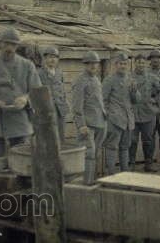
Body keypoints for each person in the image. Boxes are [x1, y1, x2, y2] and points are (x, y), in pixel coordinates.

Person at [0, 28, 42, 162]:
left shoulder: (27, 66)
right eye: (6, 43)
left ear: (17, 46)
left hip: (20, 124)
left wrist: (25, 99)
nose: (9, 48)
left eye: (13, 44)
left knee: (22, 164)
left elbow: (37, 93)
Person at [71, 51, 107, 185]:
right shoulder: (81, 81)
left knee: (94, 154)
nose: (93, 66)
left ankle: (91, 181)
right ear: (85, 65)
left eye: (95, 63)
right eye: (90, 63)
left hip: (100, 123)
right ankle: (86, 184)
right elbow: (76, 106)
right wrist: (81, 125)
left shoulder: (96, 79)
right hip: (88, 125)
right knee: (88, 154)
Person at [102, 51, 139, 175]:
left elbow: (136, 101)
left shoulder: (130, 80)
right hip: (115, 121)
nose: (123, 66)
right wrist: (110, 115)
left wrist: (134, 92)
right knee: (112, 147)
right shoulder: (109, 80)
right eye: (120, 64)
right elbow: (103, 100)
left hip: (128, 120)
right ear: (115, 65)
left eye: (125, 64)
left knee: (125, 147)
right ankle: (111, 174)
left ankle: (125, 174)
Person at [129, 54, 160, 172]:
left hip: (148, 114)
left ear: (146, 64)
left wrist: (155, 101)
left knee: (148, 140)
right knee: (132, 140)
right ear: (134, 63)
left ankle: (148, 163)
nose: (140, 65)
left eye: (143, 63)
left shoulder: (152, 78)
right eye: (138, 62)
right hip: (132, 114)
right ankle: (131, 163)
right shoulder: (129, 78)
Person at [37, 46, 69, 142]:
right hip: (46, 110)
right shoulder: (39, 73)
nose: (52, 59)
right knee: (47, 136)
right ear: (45, 58)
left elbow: (62, 89)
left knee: (60, 135)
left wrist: (65, 102)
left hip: (60, 110)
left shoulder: (59, 73)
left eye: (55, 57)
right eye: (50, 57)